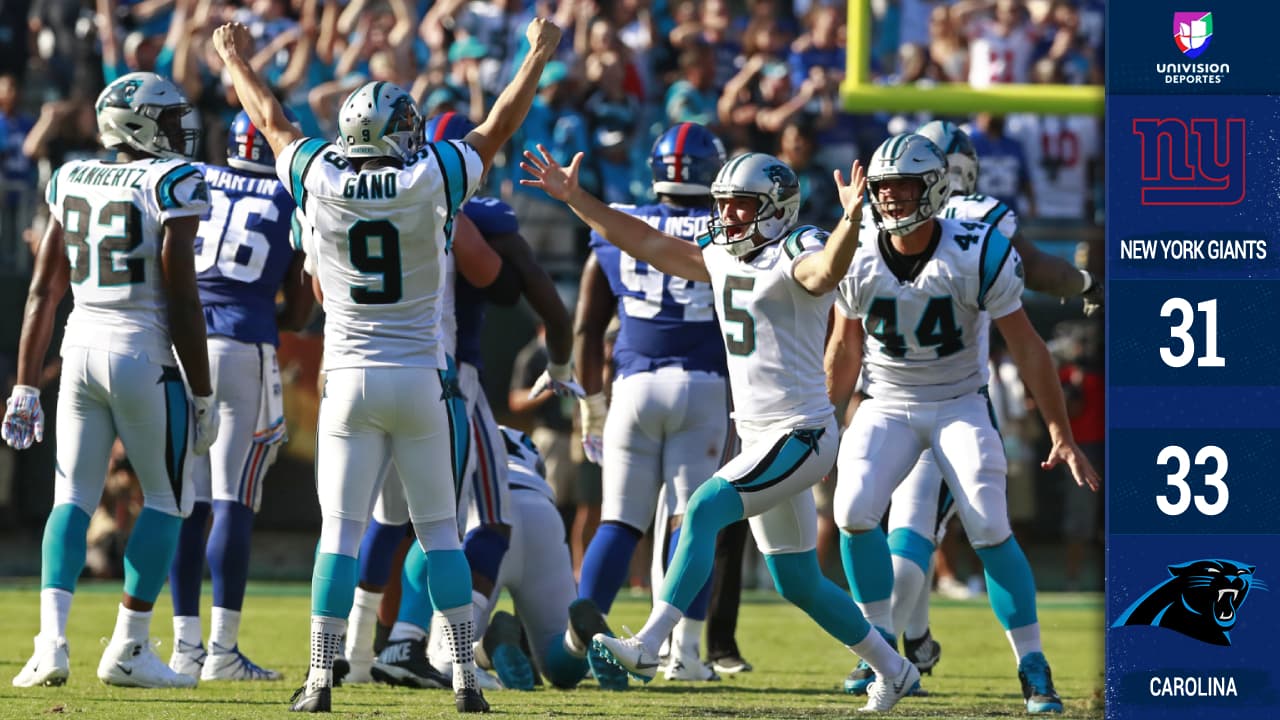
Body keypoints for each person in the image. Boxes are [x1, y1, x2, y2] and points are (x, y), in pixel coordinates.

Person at [212, 15, 562, 713]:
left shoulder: (318, 176)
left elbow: (274, 122)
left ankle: (320, 676)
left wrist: (233, 60)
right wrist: (537, 56)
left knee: (339, 534)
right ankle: (463, 674)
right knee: (439, 531)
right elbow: (496, 124)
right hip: (421, 377)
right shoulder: (435, 174)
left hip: (346, 378)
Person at [521, 146, 921, 713]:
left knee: (704, 507)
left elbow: (825, 269)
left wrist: (852, 220)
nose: (728, 215)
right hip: (761, 434)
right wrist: (576, 198)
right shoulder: (721, 252)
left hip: (801, 430)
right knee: (797, 582)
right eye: (725, 204)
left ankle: (649, 643)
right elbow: (648, 243)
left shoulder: (797, 246)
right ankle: (896, 669)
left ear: (778, 208)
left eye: (741, 206)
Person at [826, 132, 1100, 715]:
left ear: (935, 187)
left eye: (904, 187)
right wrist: (823, 423)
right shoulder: (856, 248)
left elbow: (1027, 348)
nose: (892, 199)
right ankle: (884, 659)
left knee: (988, 523)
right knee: (852, 511)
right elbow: (844, 351)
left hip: (959, 401)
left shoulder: (977, 247)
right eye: (883, 188)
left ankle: (1031, 662)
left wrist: (1060, 433)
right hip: (886, 401)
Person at [4, 71, 217, 689]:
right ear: (141, 125)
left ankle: (50, 645)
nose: (182, 128)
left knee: (69, 498)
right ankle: (128, 647)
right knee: (168, 499)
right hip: (140, 353)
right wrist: (201, 390)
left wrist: (24, 384)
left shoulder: (71, 175)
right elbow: (181, 293)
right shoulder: (173, 180)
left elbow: (44, 289)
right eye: (170, 119)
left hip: (78, 351)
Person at [361, 110, 581, 693]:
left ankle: (357, 650)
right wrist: (560, 365)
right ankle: (410, 640)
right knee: (453, 522)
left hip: (359, 370)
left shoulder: (354, 199)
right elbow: (518, 290)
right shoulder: (469, 210)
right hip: (441, 374)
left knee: (374, 522)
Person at [573, 121, 730, 684]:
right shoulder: (726, 228)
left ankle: (581, 640)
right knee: (693, 525)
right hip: (704, 384)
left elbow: (588, 328)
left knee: (618, 522)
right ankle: (683, 653)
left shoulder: (622, 220)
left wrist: (589, 402)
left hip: (632, 387)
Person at [166, 109, 315, 682]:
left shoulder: (195, 178)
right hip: (243, 345)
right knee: (234, 498)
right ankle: (223, 650)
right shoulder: (289, 195)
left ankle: (185, 646)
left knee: (187, 498)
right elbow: (300, 311)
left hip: (183, 344)